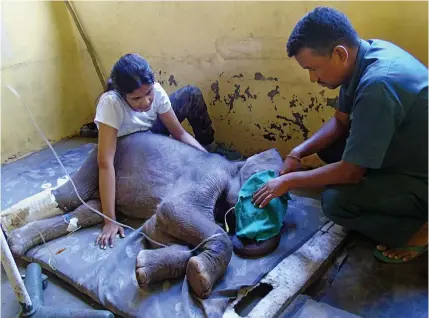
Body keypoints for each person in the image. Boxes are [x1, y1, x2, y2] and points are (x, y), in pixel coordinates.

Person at [253, 7, 428, 263]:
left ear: (339, 54)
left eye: (314, 68)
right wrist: (298, 152)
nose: (313, 78)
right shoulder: (364, 56)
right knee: (330, 148)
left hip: (422, 176)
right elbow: (339, 123)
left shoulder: (377, 86)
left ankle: (418, 230)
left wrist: (290, 182)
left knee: (335, 202)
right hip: (409, 152)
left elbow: (351, 172)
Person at [94, 53, 223, 248]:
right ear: (122, 94)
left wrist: (208, 159)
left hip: (151, 132)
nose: (145, 102)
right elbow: (105, 163)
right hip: (127, 144)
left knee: (190, 94)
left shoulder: (156, 92)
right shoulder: (111, 103)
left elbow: (179, 134)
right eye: (136, 98)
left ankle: (210, 148)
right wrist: (109, 220)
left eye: (148, 94)